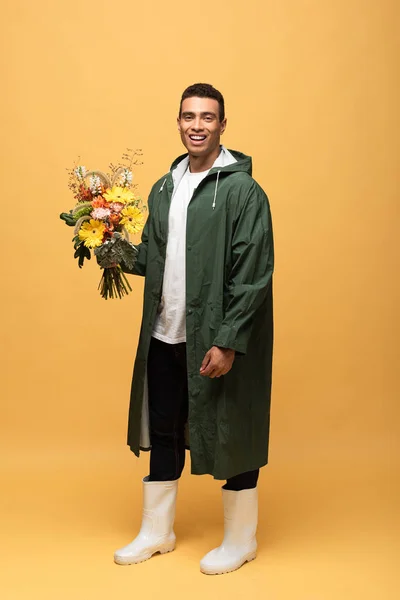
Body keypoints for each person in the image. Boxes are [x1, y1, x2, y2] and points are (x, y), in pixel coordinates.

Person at [113, 83, 274, 575]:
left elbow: (253, 273)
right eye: (189, 116)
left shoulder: (243, 191)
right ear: (178, 122)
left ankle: (241, 540)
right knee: (164, 428)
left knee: (232, 430)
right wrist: (108, 245)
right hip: (166, 332)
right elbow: (157, 257)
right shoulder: (166, 186)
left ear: (223, 125)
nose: (197, 125)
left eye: (208, 117)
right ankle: (157, 532)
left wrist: (228, 340)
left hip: (217, 337)